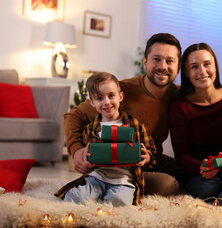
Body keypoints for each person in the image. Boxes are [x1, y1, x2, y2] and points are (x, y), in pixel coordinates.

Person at [64, 33, 185, 196]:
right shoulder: (119, 92)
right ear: (145, 62)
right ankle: (109, 188)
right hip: (118, 165)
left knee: (186, 172)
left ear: (178, 67)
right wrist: (77, 150)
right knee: (168, 185)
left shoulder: (178, 95)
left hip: (149, 157)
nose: (162, 66)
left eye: (169, 61)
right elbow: (74, 115)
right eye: (156, 59)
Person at [55, 72, 156, 206]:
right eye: (99, 98)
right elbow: (86, 155)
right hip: (96, 178)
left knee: (118, 201)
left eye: (111, 96)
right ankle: (96, 199)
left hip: (124, 181)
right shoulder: (90, 130)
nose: (106, 102)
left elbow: (151, 151)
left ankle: (105, 202)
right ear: (92, 103)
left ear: (120, 97)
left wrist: (147, 157)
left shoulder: (135, 126)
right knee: (74, 197)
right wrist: (86, 159)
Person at [169, 43, 222, 200]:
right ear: (185, 72)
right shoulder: (179, 107)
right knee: (204, 190)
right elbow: (182, 155)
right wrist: (201, 166)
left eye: (207, 64)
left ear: (215, 66)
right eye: (194, 67)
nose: (202, 72)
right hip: (199, 172)